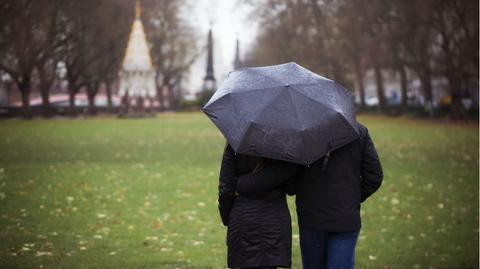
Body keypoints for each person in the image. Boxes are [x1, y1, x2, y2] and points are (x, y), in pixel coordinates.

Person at [295, 123, 383, 269]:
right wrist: (352, 199)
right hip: (343, 217)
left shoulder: (304, 133)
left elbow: (291, 182)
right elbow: (374, 176)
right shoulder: (358, 132)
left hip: (312, 217)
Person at [218, 144, 297, 269]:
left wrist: (228, 218)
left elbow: (226, 190)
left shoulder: (235, 146)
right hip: (273, 221)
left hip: (243, 220)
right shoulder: (282, 147)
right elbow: (291, 188)